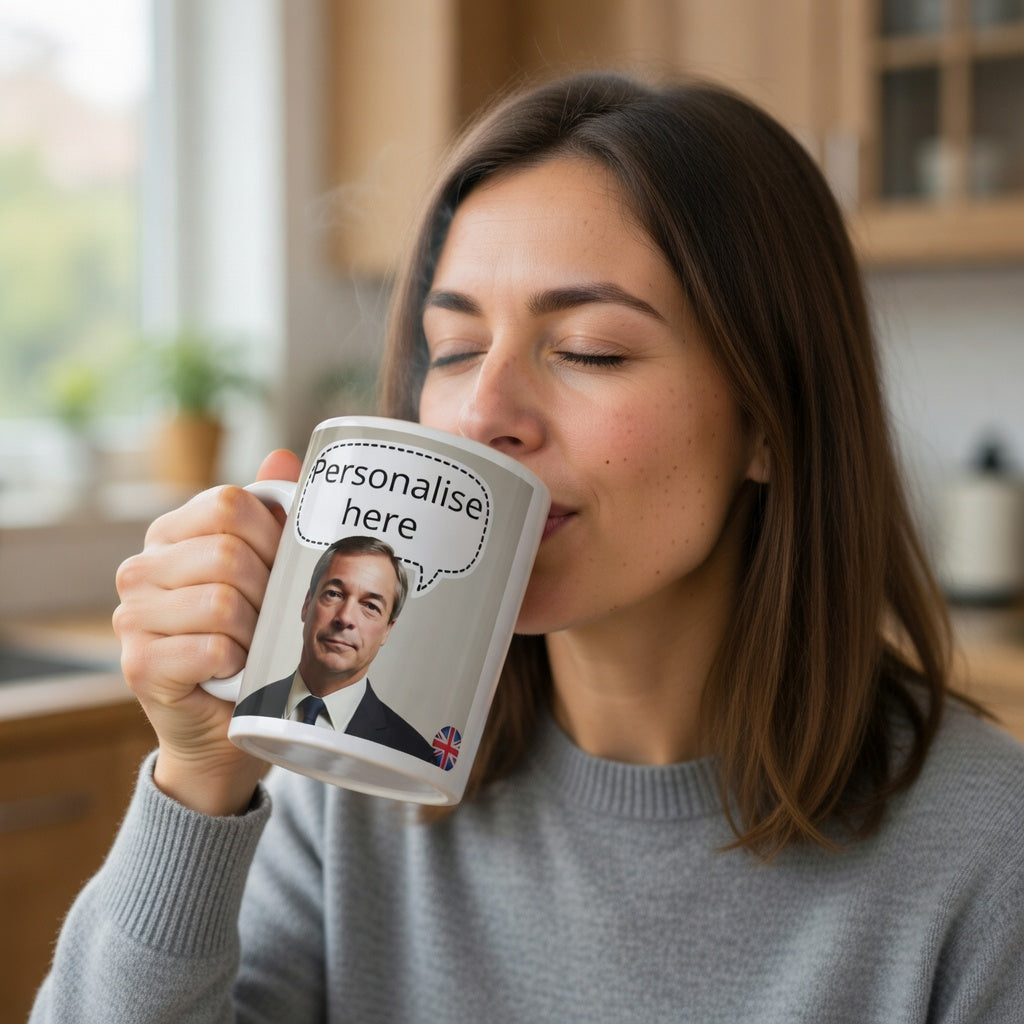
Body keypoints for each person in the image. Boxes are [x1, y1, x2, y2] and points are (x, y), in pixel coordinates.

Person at [30, 71, 1024, 1023]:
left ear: (768, 419)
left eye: (588, 348)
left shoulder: (985, 853)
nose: (481, 414)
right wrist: (198, 780)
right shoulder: (355, 792)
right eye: (454, 349)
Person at [232, 534, 434, 761]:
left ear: (388, 629)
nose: (345, 617)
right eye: (334, 594)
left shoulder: (415, 754)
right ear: (307, 604)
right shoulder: (242, 710)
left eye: (370, 606)